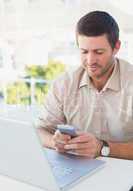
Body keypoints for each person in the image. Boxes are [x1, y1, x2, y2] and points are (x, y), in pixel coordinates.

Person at [37, 10, 133, 160]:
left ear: (116, 47)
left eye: (98, 52)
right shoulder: (64, 84)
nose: (90, 60)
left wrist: (102, 148)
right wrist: (54, 142)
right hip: (78, 168)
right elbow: (40, 131)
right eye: (84, 51)